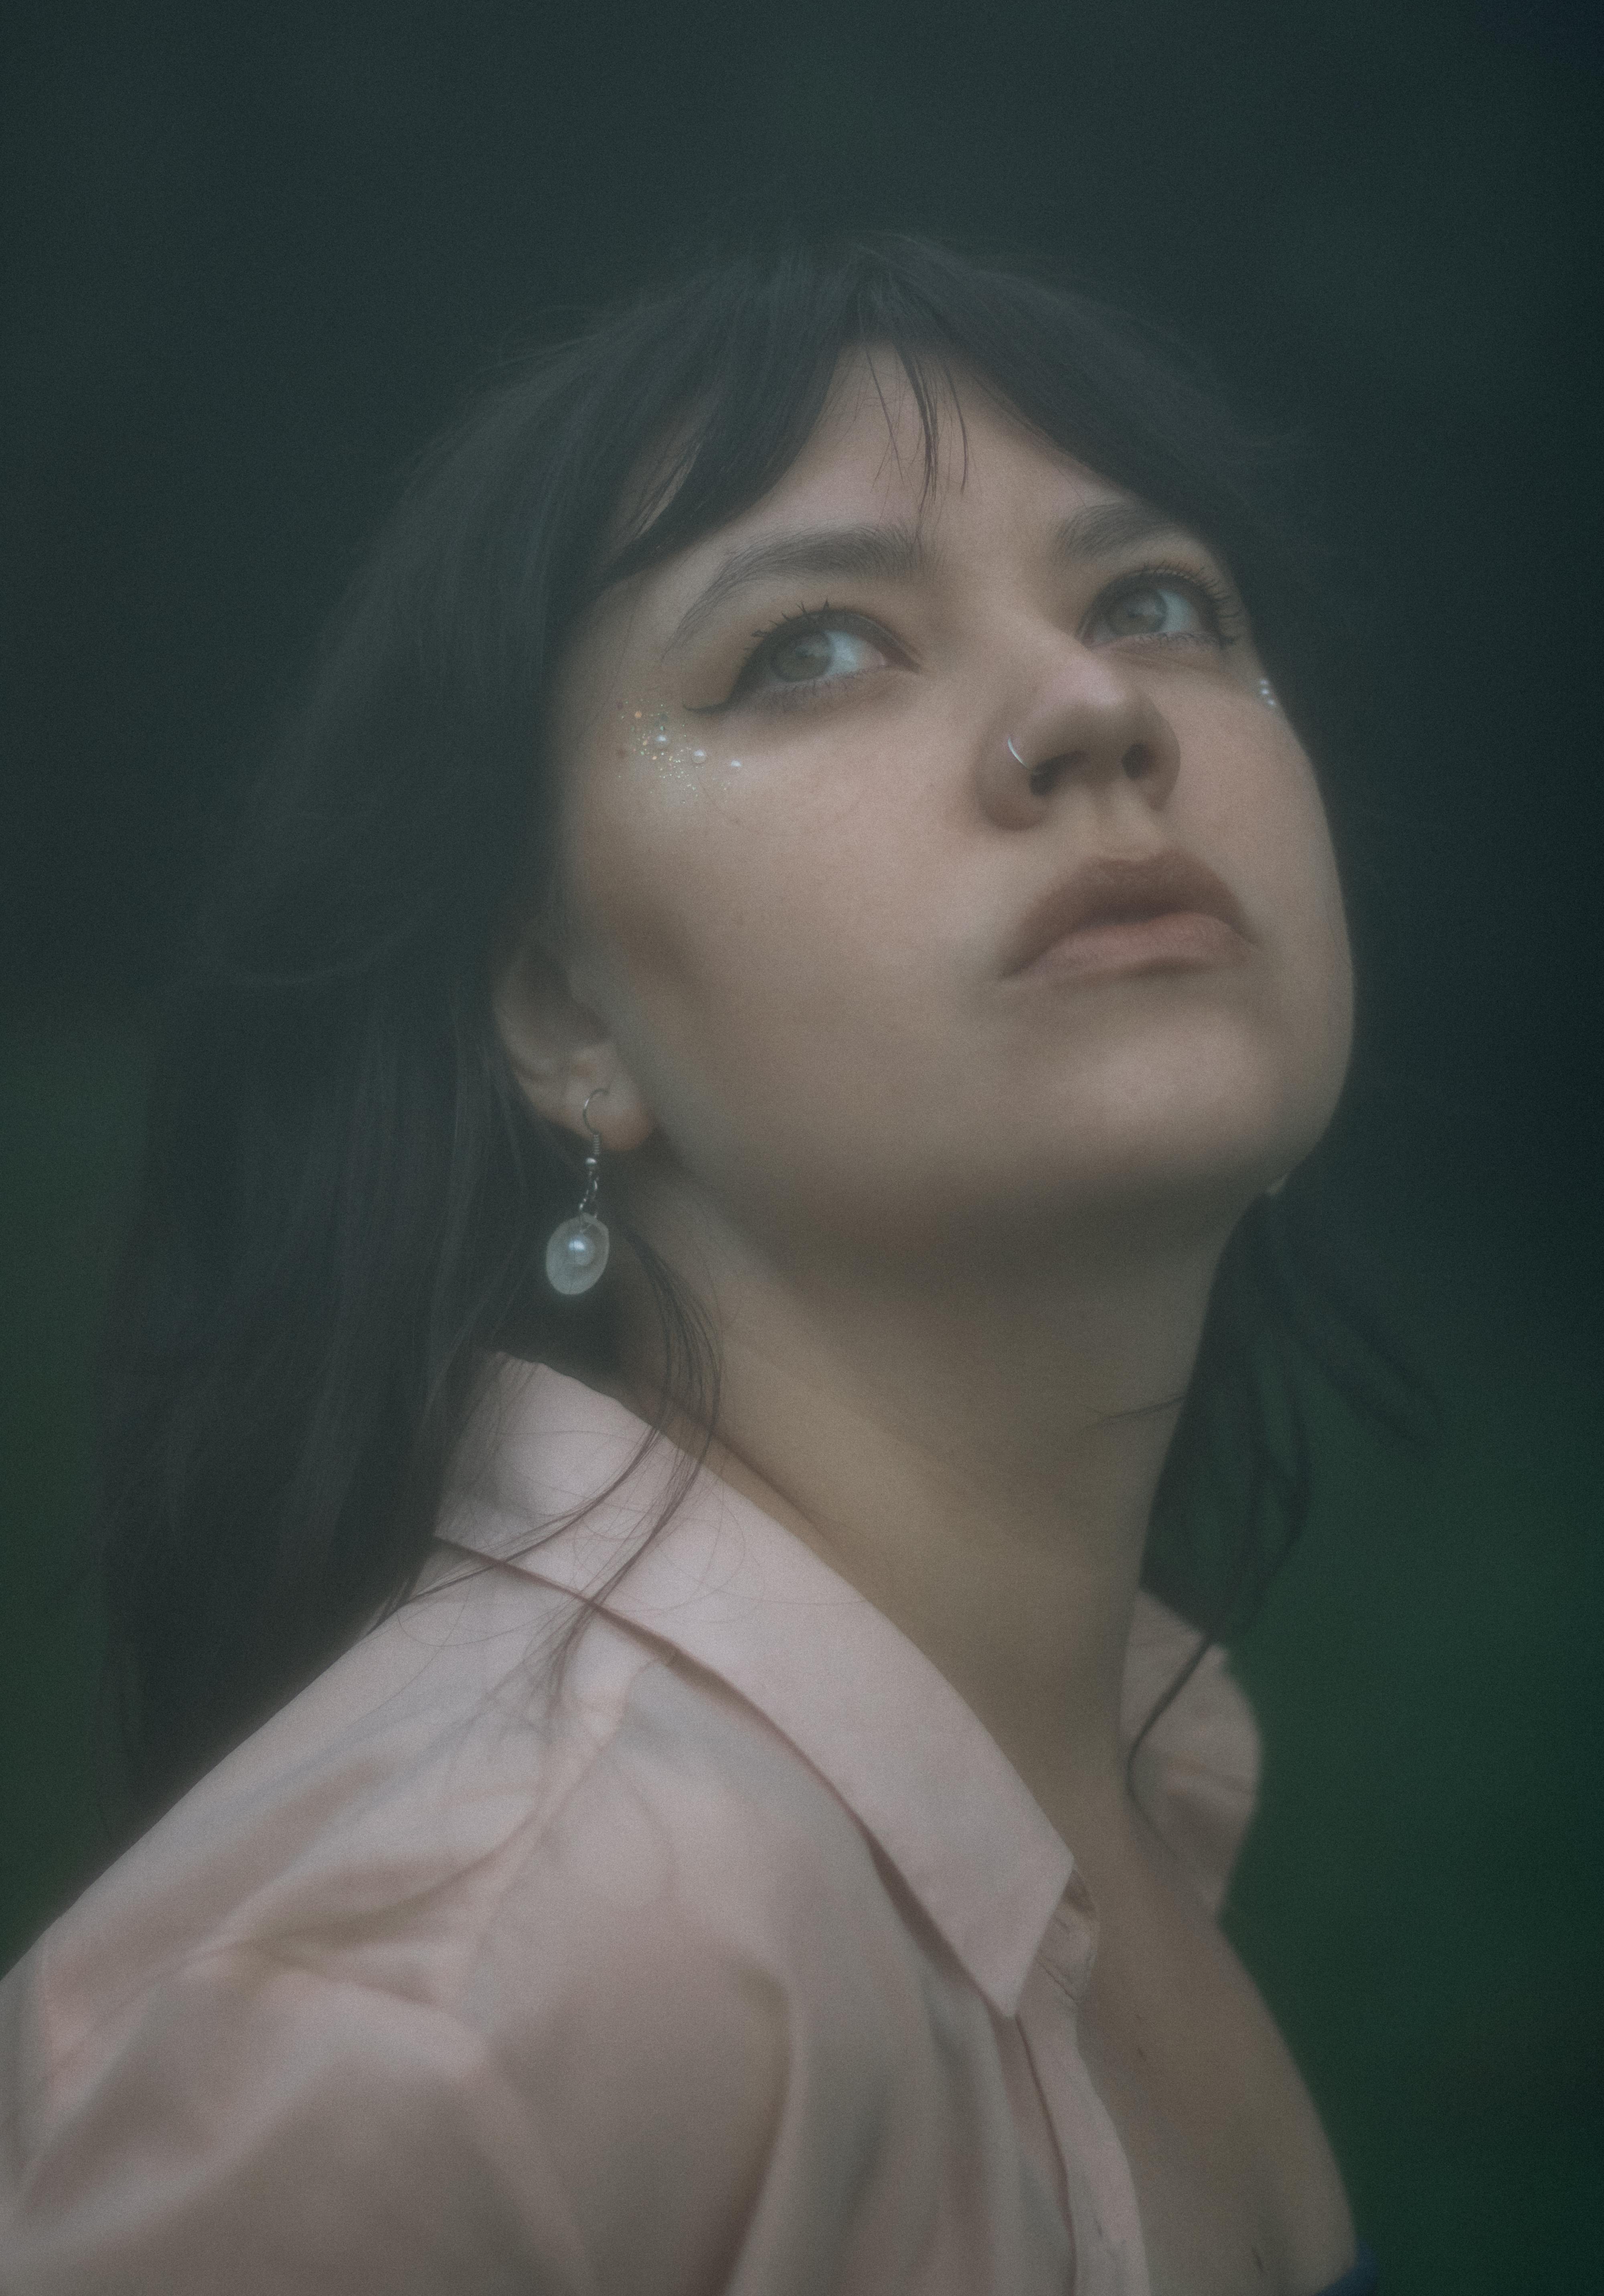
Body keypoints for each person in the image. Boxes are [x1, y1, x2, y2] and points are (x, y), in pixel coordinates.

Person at [0, 238, 1401, 2293]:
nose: (1096, 707)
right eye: (813, 648)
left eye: (1159, 603)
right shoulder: (450, 2010)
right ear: (564, 1011)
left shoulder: (1126, 1792)